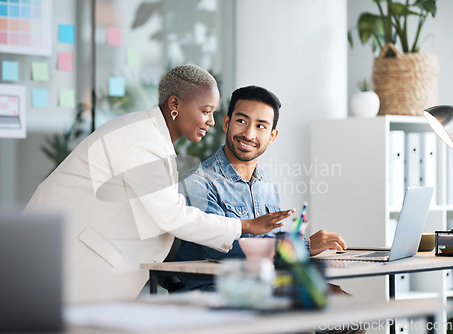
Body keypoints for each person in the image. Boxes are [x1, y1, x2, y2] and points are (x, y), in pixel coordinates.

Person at [24, 65, 293, 303]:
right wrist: (245, 226)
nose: (212, 121)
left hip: (83, 257)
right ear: (175, 103)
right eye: (205, 110)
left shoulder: (153, 139)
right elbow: (173, 216)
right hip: (72, 258)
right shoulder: (142, 139)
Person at [174, 85, 347, 291]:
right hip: (216, 291)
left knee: (337, 296)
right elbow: (219, 248)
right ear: (227, 122)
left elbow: (273, 247)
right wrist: (305, 246)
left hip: (262, 284)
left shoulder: (267, 186)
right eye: (241, 121)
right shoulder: (198, 182)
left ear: (272, 136)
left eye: (261, 126)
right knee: (328, 298)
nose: (248, 134)